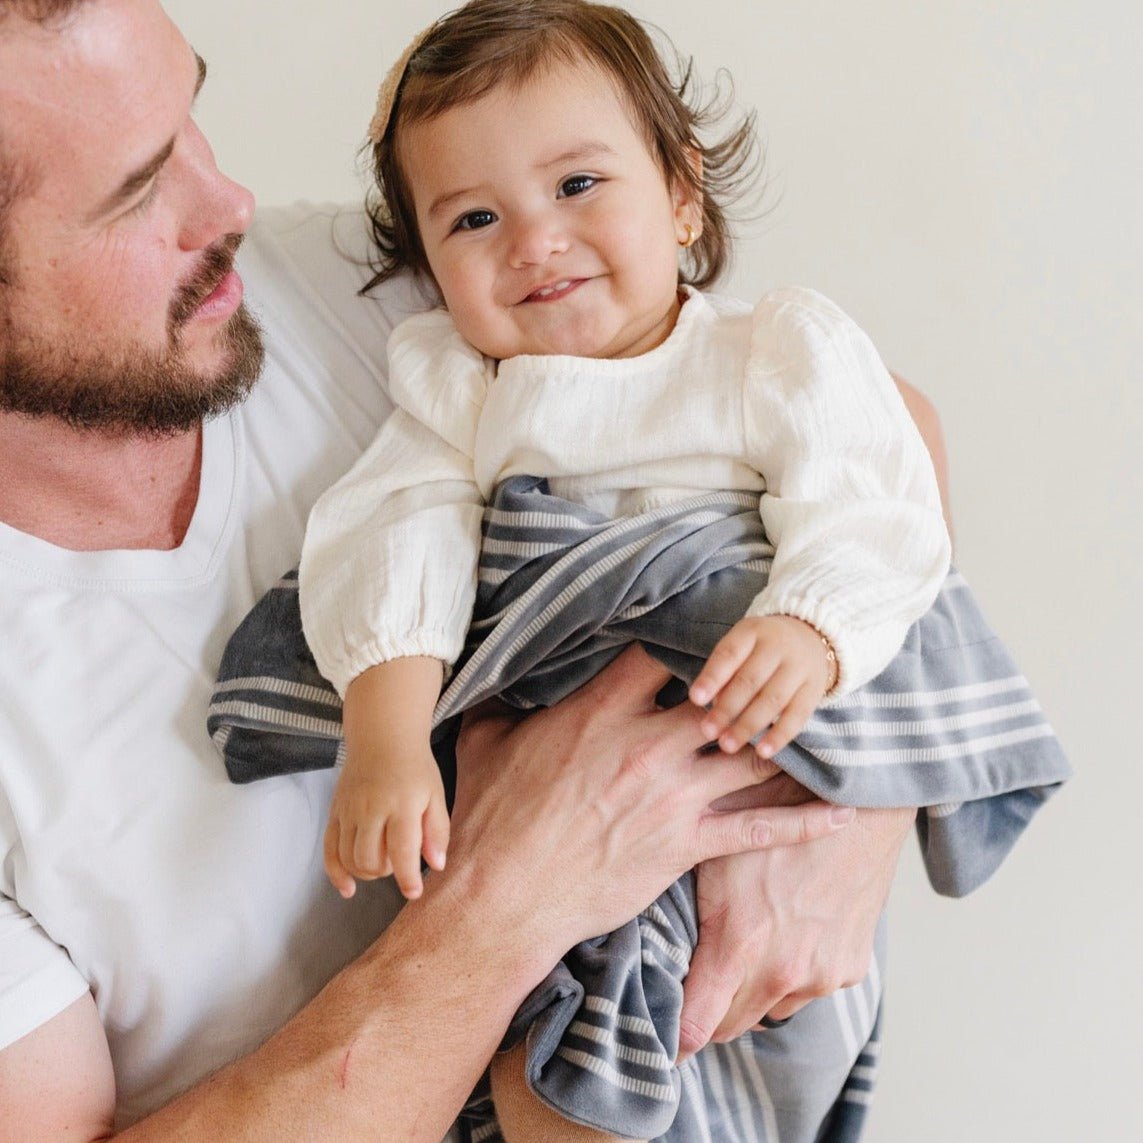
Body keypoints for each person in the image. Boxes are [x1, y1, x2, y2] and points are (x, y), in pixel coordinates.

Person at [0, 1, 974, 1138]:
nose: (228, 205)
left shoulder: (345, 288)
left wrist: (827, 812)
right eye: (135, 191)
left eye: (191, 118)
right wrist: (518, 890)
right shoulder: (444, 343)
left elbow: (872, 433)